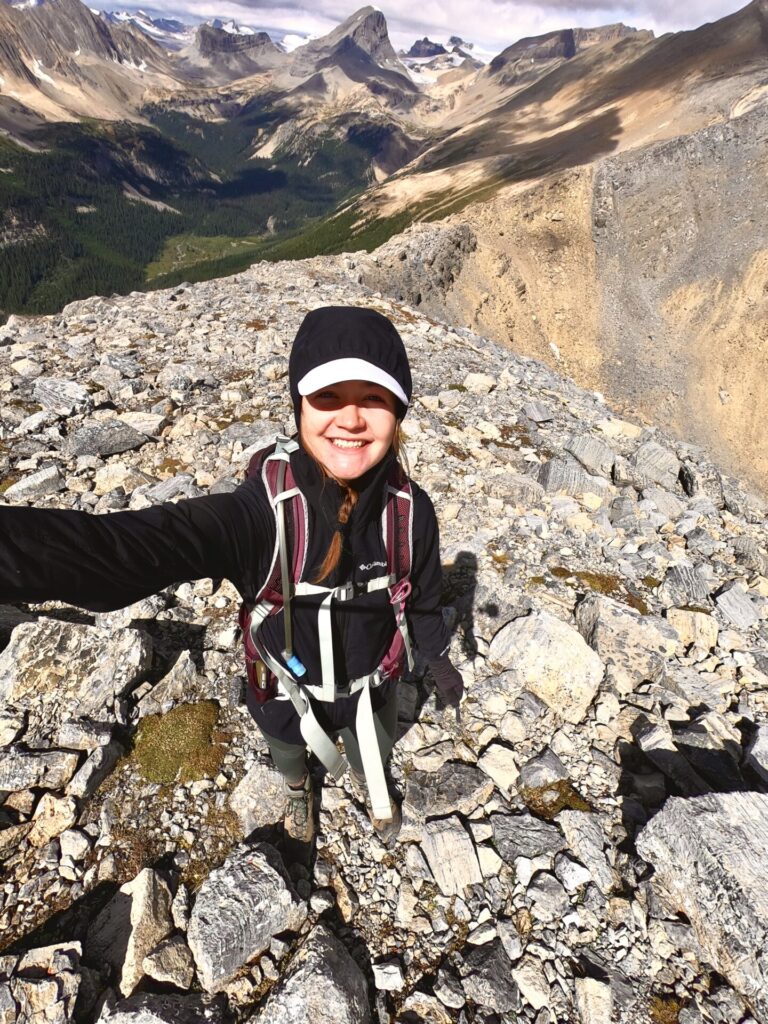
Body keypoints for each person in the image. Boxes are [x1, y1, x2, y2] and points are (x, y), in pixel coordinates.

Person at [0, 306, 464, 846]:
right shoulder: (264, 514)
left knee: (371, 752)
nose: (352, 419)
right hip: (284, 692)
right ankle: (298, 791)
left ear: (398, 411)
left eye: (374, 399)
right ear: (299, 408)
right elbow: (124, 550)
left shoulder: (410, 512)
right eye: (329, 398)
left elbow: (422, 598)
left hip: (372, 690)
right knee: (290, 754)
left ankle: (370, 778)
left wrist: (437, 658)